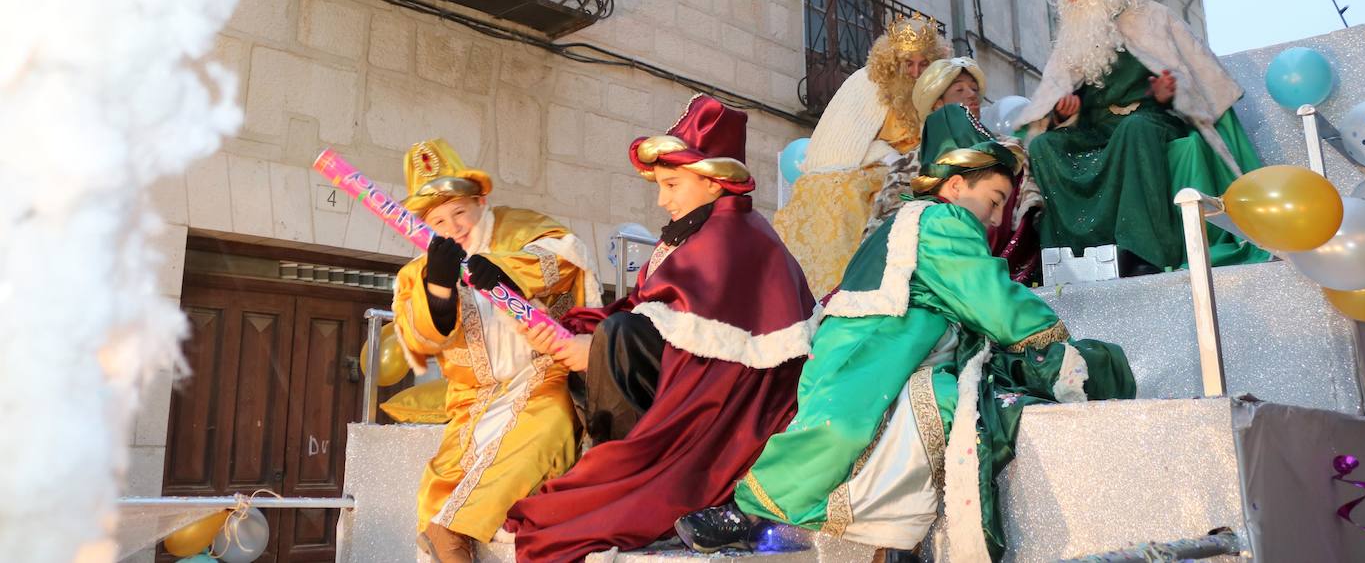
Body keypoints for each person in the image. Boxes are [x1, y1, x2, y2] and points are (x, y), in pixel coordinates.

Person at [676, 140, 1135, 560]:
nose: (996, 219)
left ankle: (777, 519)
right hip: (880, 342)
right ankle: (749, 512)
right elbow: (989, 298)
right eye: (994, 201)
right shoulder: (944, 220)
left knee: (849, 426)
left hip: (864, 342)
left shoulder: (908, 219)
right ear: (955, 186)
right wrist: (1055, 338)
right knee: (842, 430)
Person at [505, 95, 817, 562]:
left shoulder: (734, 238)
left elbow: (701, 358)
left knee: (616, 341)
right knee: (611, 338)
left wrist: (596, 346)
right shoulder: (695, 233)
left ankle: (630, 476)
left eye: (672, 184)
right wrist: (570, 333)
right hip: (687, 390)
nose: (661, 198)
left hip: (732, 416)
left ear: (714, 182)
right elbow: (645, 309)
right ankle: (615, 470)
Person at [391, 139, 600, 563]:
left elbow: (564, 257)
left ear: (480, 200)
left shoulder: (521, 227)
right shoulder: (417, 272)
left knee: (544, 431)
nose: (452, 227)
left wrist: (502, 267)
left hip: (545, 377)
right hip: (475, 400)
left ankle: (450, 530)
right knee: (446, 473)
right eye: (438, 220)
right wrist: (438, 288)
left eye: (459, 213)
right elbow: (418, 338)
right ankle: (447, 533)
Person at [1016, 0, 1268, 274]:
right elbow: (1057, 95)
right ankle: (1069, 256)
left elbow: (1194, 81)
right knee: (1046, 145)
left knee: (1134, 130)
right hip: (1096, 129)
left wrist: (1168, 94)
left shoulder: (1152, 18)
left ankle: (1140, 251)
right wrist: (1064, 115)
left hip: (1151, 118)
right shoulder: (1072, 39)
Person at [775, 14, 951, 295]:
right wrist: (891, 157)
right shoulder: (868, 82)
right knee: (839, 193)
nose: (916, 72)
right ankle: (835, 285)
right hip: (873, 165)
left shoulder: (939, 90)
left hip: (920, 170)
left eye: (924, 63)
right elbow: (844, 144)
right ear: (894, 61)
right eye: (909, 63)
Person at [868, 57, 1043, 283]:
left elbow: (1027, 204)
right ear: (937, 103)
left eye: (974, 89)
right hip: (930, 261)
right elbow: (888, 226)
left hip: (1002, 258)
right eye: (959, 89)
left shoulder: (1010, 149)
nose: (971, 95)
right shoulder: (908, 164)